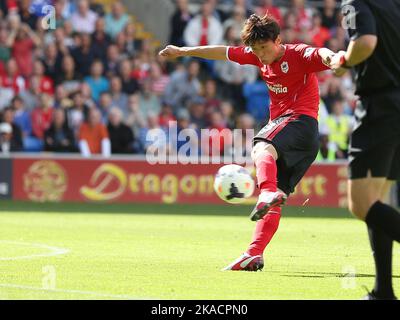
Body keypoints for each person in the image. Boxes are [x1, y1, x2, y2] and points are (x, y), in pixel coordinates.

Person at [159, 13, 335, 271]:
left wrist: (336, 58)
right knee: (278, 197)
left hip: (299, 123)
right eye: (256, 50)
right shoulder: (256, 56)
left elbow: (320, 55)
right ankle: (254, 253)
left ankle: (265, 191)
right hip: (303, 141)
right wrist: (184, 51)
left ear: (278, 40)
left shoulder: (296, 54)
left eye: (264, 48)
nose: (261, 55)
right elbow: (222, 52)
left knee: (261, 147)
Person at [330, 0, 400, 300]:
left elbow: (365, 42)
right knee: (378, 199)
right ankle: (383, 290)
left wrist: (344, 61)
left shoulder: (353, 3)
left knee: (360, 204)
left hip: (380, 107)